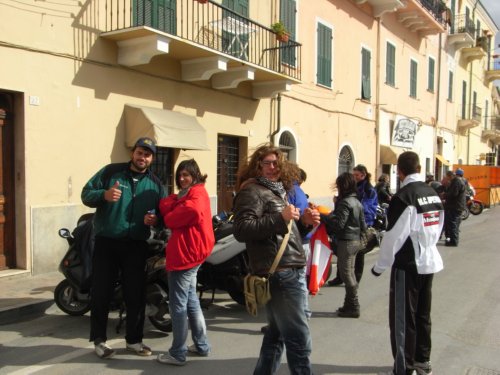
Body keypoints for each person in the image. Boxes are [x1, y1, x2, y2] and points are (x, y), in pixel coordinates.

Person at [233, 143, 319, 375]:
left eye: (277, 163)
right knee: (298, 338)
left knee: (277, 334)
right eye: (268, 163)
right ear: (258, 166)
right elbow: (242, 230)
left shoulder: (277, 190)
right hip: (280, 272)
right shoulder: (252, 191)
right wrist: (281, 217)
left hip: (287, 267)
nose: (273, 167)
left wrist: (304, 223)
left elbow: (285, 233)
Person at [81, 137, 165, 359]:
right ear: (133, 153)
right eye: (139, 152)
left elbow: (164, 216)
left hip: (136, 245)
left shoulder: (155, 184)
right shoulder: (111, 172)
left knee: (135, 294)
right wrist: (104, 195)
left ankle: (134, 341)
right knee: (101, 292)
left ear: (152, 158)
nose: (142, 157)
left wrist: (155, 221)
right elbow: (86, 193)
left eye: (147, 154)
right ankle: (99, 341)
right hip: (107, 243)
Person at [371, 151, 444, 375]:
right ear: (419, 169)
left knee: (403, 318)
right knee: (423, 315)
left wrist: (379, 266)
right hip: (429, 261)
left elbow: (394, 236)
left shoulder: (405, 196)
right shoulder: (432, 193)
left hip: (409, 264)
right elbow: (440, 224)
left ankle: (404, 367)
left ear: (400, 171)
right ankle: (423, 360)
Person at [157, 159, 214, 366]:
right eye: (179, 175)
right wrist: (173, 207)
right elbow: (167, 203)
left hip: (186, 255)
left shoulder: (196, 194)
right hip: (193, 253)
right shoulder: (189, 194)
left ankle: (178, 353)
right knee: (191, 300)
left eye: (186, 175)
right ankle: (201, 345)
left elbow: (189, 212)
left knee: (178, 305)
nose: (182, 179)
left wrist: (169, 218)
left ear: (195, 175)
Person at [320, 172, 366, 318]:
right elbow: (363, 224)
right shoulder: (356, 201)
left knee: (346, 274)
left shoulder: (346, 202)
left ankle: (353, 306)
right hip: (355, 241)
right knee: (350, 273)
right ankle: (349, 305)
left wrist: (324, 216)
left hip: (346, 241)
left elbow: (338, 225)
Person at [328, 164, 378, 286]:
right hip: (349, 222)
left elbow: (366, 207)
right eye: (353, 174)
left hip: (361, 222)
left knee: (359, 253)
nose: (354, 177)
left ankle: (356, 279)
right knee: (341, 251)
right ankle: (340, 277)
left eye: (357, 175)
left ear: (363, 175)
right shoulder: (353, 186)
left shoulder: (369, 190)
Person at [441, 170, 466, 247]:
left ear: (450, 176)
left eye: (447, 177)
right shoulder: (457, 181)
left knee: (453, 223)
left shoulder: (456, 182)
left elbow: (454, 193)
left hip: (455, 206)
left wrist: (445, 195)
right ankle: (452, 239)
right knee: (453, 223)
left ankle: (453, 241)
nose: (447, 179)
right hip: (456, 205)